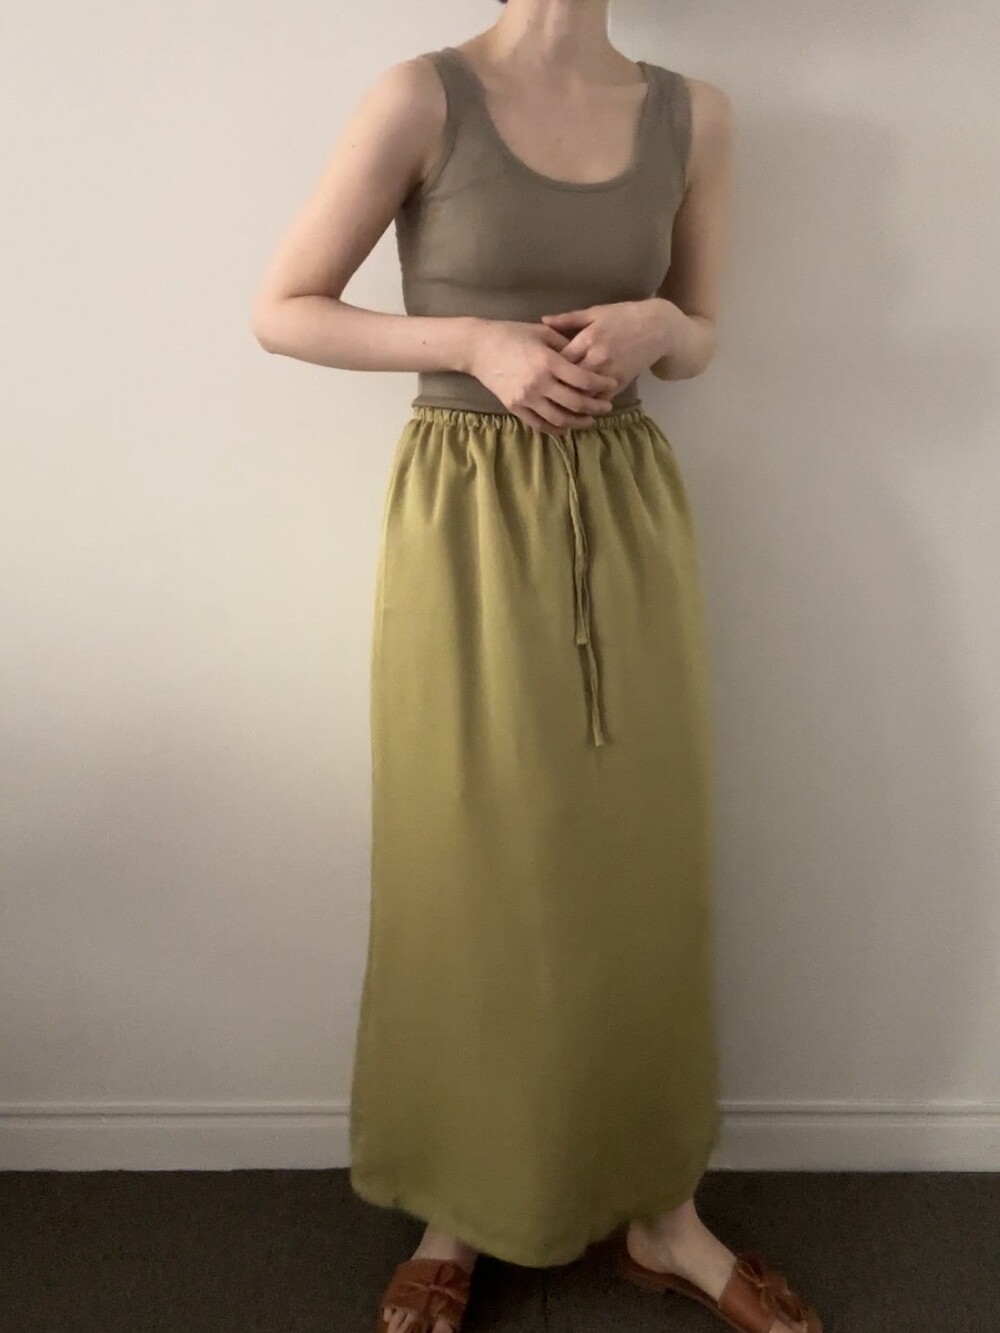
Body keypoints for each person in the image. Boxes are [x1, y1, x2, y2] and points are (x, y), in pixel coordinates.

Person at [251, 3, 821, 1332]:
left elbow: (705, 333)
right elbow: (283, 309)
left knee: (639, 862)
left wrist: (657, 326)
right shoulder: (422, 97)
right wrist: (471, 340)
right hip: (464, 518)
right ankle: (458, 1204)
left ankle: (664, 1213)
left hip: (623, 510)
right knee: (471, 859)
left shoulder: (695, 114)